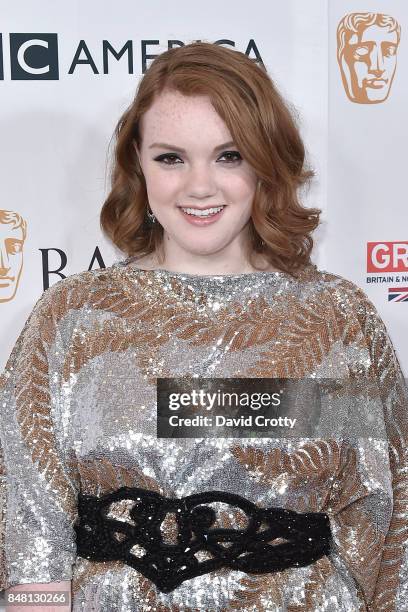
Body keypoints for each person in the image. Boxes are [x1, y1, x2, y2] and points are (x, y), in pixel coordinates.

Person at [0, 41, 407, 612]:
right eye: (171, 158)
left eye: (229, 155)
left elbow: (385, 517)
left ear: (267, 163)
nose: (199, 187)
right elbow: (30, 522)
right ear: (137, 163)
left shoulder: (333, 321)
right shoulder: (72, 319)